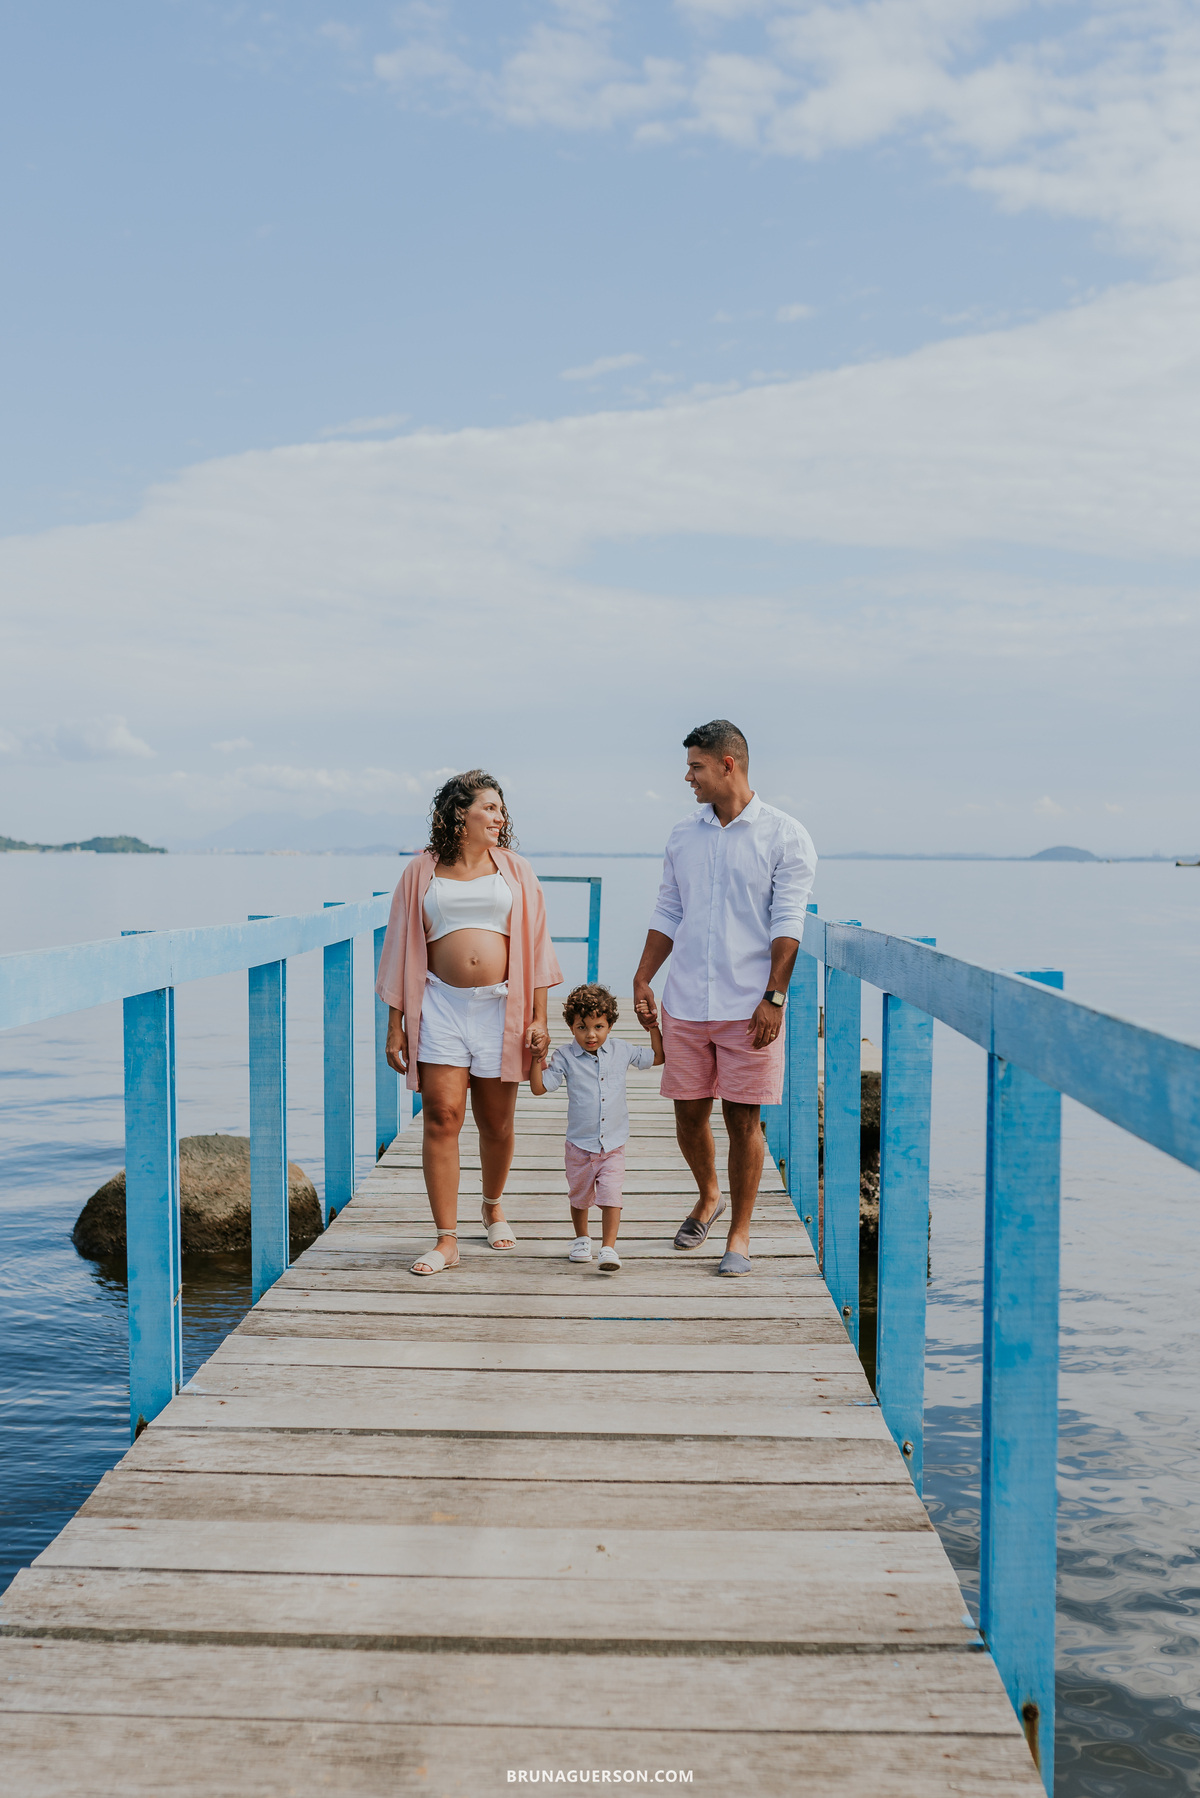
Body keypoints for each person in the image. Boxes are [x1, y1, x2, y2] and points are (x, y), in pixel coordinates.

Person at [632, 721, 817, 1276]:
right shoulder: (683, 834)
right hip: (686, 999)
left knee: (743, 1120)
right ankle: (708, 1195)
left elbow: (788, 925)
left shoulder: (786, 836)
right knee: (689, 1116)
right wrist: (643, 977)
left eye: (696, 767)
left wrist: (775, 998)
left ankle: (740, 1232)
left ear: (728, 765)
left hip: (748, 1005)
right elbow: (669, 909)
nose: (687, 777)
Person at [375, 770, 562, 1276]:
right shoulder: (421, 871)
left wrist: (540, 1019)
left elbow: (538, 946)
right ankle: (446, 1237)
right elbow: (397, 946)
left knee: (497, 1122)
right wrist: (396, 1025)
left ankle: (492, 1203)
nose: (500, 818)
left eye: (502, 810)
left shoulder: (516, 870)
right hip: (438, 1004)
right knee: (441, 1116)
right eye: (490, 808)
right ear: (460, 813)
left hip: (502, 1005)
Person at [529, 983, 664, 1273]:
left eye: (599, 1026)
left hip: (613, 1144)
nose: (591, 1035)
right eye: (582, 1027)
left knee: (611, 1195)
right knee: (579, 1196)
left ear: (610, 1024)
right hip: (579, 1145)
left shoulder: (621, 1050)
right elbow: (540, 1088)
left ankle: (608, 1248)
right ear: (571, 1026)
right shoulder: (564, 1057)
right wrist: (535, 1059)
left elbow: (657, 1057)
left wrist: (653, 1026)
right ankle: (581, 1239)